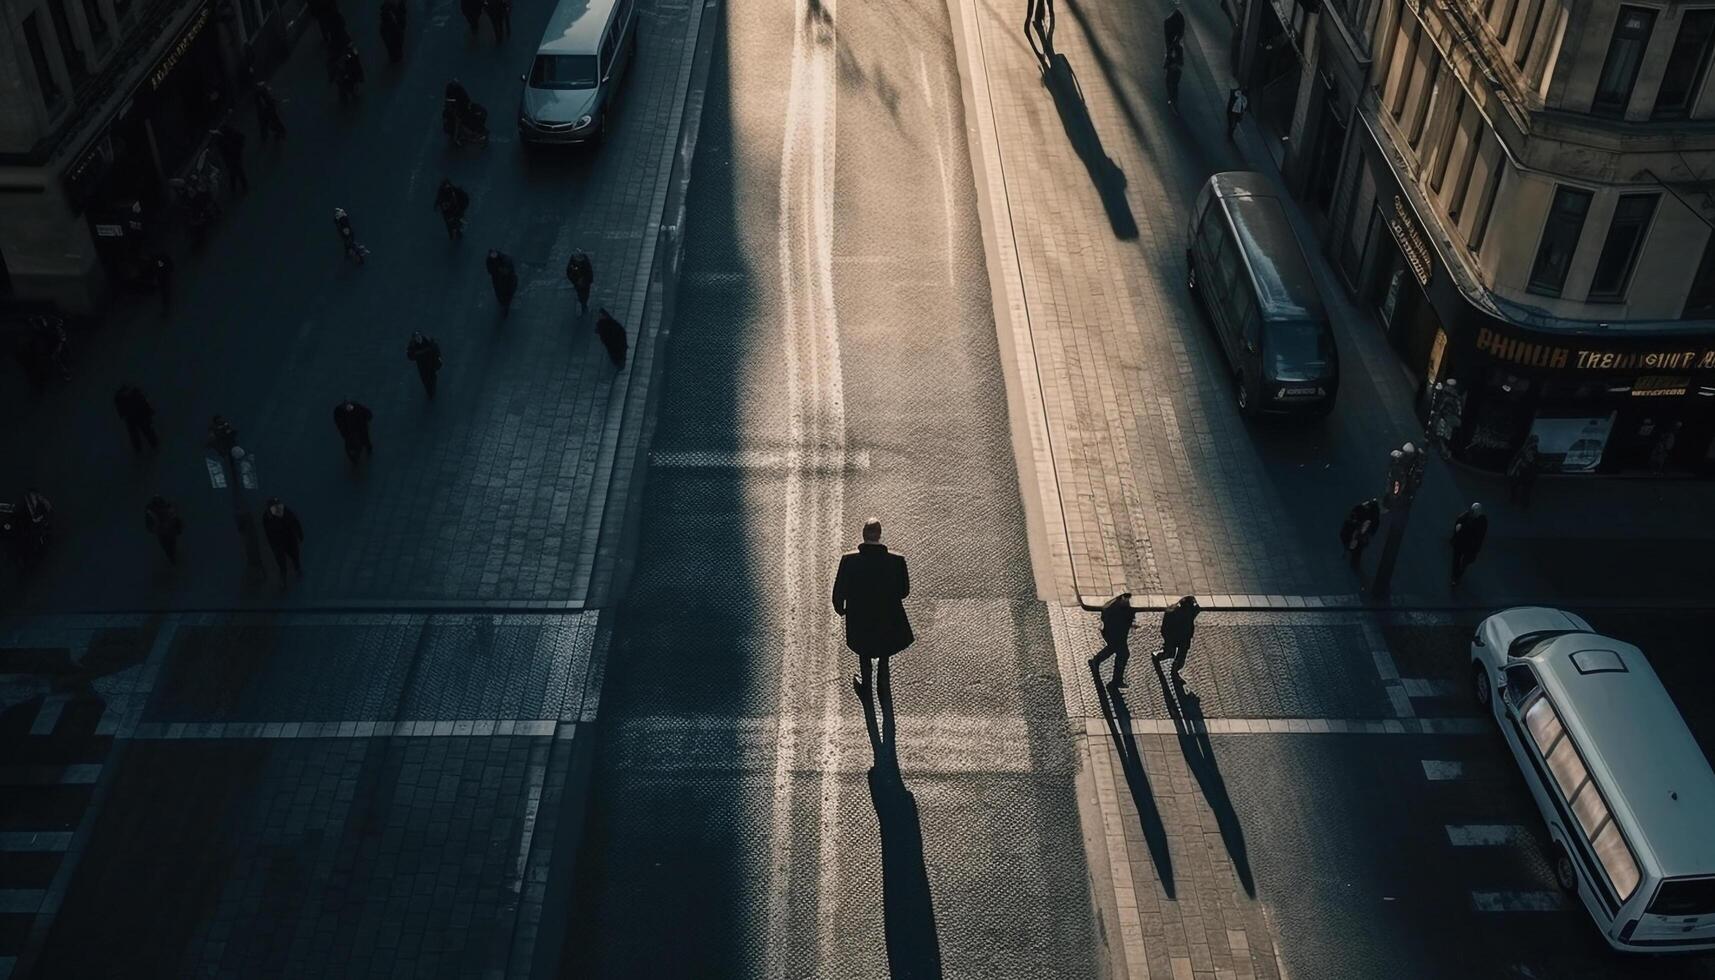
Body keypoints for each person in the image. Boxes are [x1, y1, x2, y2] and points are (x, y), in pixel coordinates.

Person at [832, 519, 913, 701]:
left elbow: (840, 589)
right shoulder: (897, 561)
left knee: (864, 650)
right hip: (886, 615)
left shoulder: (849, 560)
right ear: (879, 534)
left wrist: (840, 608)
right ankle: (883, 685)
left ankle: (866, 686)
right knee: (884, 651)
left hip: (859, 616)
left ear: (863, 534)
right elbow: (904, 592)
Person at [1089, 591, 1137, 691]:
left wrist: (1130, 624)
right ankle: (1115, 681)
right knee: (1123, 654)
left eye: (1128, 598)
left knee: (1112, 649)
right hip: (1114, 635)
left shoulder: (1123, 606)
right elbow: (1108, 619)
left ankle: (1096, 661)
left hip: (1119, 635)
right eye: (1125, 598)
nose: (1127, 600)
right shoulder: (1113, 607)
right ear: (1121, 597)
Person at [1156, 595, 1201, 685]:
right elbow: (1165, 628)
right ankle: (1173, 669)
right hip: (1179, 638)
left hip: (1179, 638)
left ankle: (1170, 663)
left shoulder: (1172, 611)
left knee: (1178, 656)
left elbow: (1164, 628)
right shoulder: (1187, 612)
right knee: (1179, 657)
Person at [261, 497, 305, 579]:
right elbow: (268, 532)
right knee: (281, 561)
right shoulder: (266, 517)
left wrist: (299, 534)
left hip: (288, 538)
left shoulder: (285, 511)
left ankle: (297, 570)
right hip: (277, 542)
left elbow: (294, 521)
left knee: (294, 555)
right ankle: (283, 578)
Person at [1450, 502, 1488, 588]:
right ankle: (1455, 577)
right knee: (1459, 561)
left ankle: (1456, 576)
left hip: (1469, 545)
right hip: (1463, 543)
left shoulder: (1479, 520)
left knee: (1463, 562)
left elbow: (1479, 536)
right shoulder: (1470, 517)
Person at [114, 385, 159, 452]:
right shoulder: (121, 397)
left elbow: (143, 402)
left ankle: (154, 446)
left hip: (138, 415)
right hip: (133, 417)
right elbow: (143, 401)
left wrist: (148, 411)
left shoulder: (132, 393)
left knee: (145, 430)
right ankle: (142, 449)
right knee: (137, 434)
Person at [1339, 497, 1381, 567]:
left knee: (1357, 546)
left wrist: (1367, 535)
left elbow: (1373, 528)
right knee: (1355, 544)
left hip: (1359, 531)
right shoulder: (1363, 510)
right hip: (1355, 529)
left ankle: (1353, 560)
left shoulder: (1371, 515)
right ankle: (1352, 557)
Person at [144, 496, 184, 564]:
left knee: (171, 546)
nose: (159, 508)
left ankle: (173, 558)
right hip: (163, 534)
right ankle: (172, 559)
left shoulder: (167, 509)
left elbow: (175, 518)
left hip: (168, 532)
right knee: (168, 548)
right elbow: (149, 526)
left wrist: (178, 527)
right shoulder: (151, 513)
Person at [333, 398, 374, 462]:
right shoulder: (340, 413)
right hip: (349, 430)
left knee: (364, 437)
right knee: (351, 441)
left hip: (359, 426)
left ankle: (366, 448)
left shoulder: (358, 409)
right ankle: (354, 458)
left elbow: (368, 414)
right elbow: (339, 423)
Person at [211, 124, 248, 192]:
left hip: (232, 156)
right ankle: (239, 187)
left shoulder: (223, 137)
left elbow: (240, 138)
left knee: (236, 172)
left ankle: (239, 187)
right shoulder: (221, 138)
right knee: (236, 172)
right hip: (232, 156)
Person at [406, 332, 443, 398]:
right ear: (414, 340)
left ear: (421, 336)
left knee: (433, 377)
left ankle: (432, 390)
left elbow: (436, 349)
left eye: (419, 337)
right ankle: (429, 392)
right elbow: (410, 356)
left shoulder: (428, 340)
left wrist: (439, 358)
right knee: (425, 379)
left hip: (431, 363)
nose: (418, 339)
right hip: (422, 366)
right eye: (416, 338)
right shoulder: (413, 346)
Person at [1507, 436, 1540, 507]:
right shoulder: (1528, 449)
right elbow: (1519, 460)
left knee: (1524, 490)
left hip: (1527, 474)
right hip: (1526, 474)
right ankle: (1520, 502)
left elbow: (1521, 461)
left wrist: (1514, 470)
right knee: (1523, 490)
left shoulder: (1530, 451)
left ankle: (1520, 501)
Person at [486, 249, 518, 315]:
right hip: (498, 280)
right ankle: (504, 305)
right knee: (501, 293)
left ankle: (505, 305)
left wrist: (498, 269)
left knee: (507, 293)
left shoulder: (505, 259)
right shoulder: (489, 260)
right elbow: (490, 270)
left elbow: (508, 271)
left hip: (506, 280)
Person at [566, 249, 594, 314]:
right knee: (580, 294)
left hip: (585, 282)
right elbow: (569, 273)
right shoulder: (572, 264)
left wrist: (587, 280)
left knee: (586, 293)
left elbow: (589, 272)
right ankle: (583, 303)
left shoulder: (585, 262)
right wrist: (575, 280)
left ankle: (584, 303)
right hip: (577, 282)